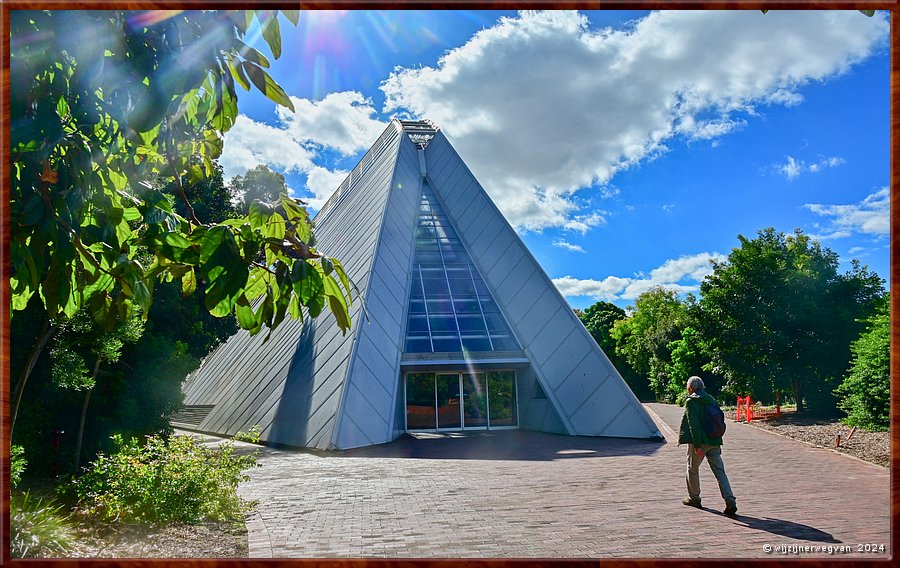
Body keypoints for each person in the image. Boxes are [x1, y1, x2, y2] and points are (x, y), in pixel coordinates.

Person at [678, 375, 737, 516]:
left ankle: (695, 499)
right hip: (714, 440)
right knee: (720, 472)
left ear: (691, 388)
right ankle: (730, 501)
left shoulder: (691, 402)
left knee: (692, 469)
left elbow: (694, 425)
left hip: (700, 442)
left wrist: (697, 445)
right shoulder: (711, 399)